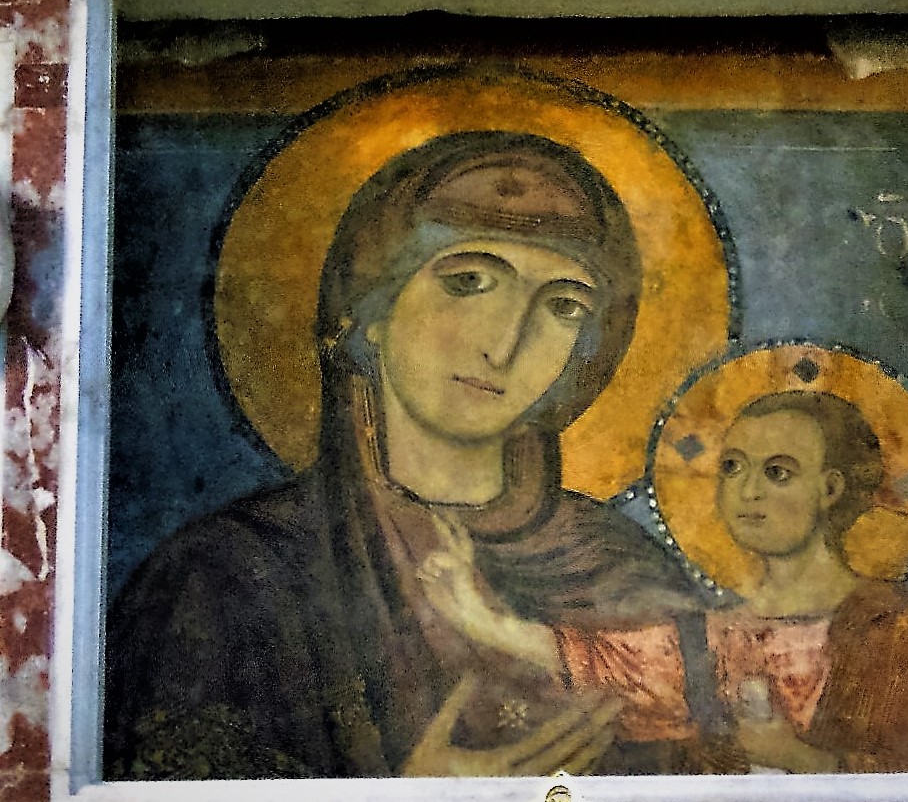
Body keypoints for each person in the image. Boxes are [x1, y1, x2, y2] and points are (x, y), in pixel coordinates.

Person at [103, 130, 697, 780]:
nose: (506, 344)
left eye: (563, 306)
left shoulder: (626, 570)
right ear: (370, 311)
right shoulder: (222, 577)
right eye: (468, 282)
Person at [420, 390, 908, 773]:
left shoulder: (900, 629)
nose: (747, 491)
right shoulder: (710, 638)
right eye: (732, 467)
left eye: (777, 472)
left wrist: (804, 760)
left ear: (831, 489)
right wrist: (480, 618)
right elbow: (607, 663)